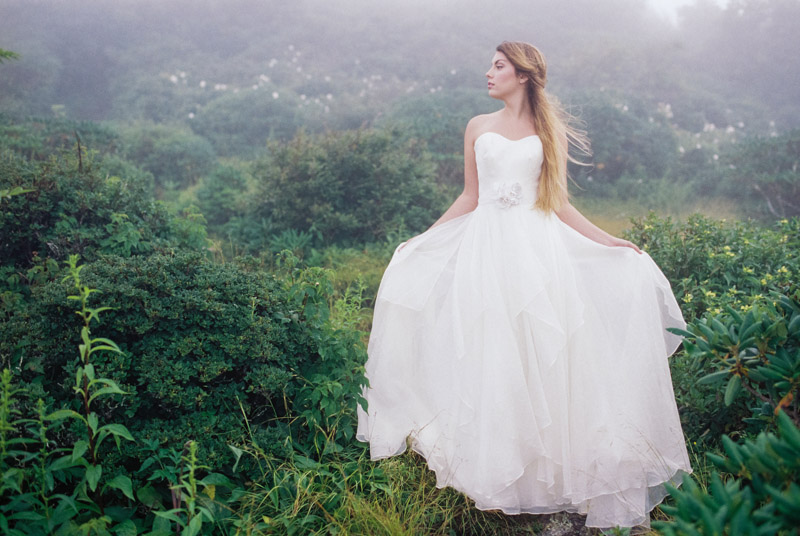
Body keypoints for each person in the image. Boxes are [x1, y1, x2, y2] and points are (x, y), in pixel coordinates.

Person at [356, 41, 692, 532]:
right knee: (491, 353)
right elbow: (471, 196)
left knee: (545, 357)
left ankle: (550, 473)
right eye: (491, 65)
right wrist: (423, 240)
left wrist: (608, 240)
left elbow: (557, 202)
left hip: (538, 252)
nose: (488, 73)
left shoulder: (545, 130)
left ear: (524, 74)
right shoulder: (477, 126)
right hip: (485, 251)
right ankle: (493, 473)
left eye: (498, 66)